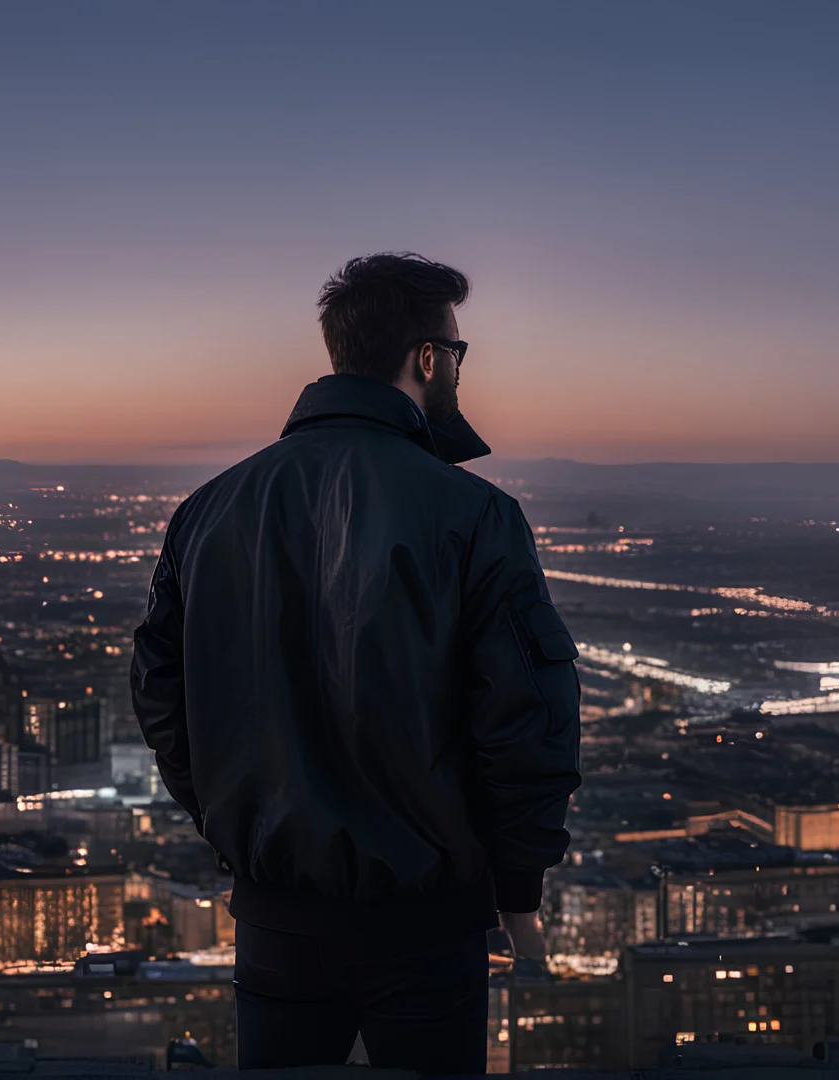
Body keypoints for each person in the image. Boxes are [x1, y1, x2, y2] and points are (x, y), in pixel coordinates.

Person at [130, 252, 581, 1072]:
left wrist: (231, 824)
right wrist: (518, 890)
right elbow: (527, 721)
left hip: (275, 917)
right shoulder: (475, 516)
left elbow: (161, 696)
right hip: (427, 922)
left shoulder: (208, 510)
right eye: (458, 350)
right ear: (428, 358)